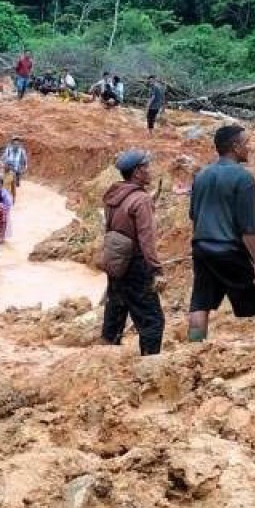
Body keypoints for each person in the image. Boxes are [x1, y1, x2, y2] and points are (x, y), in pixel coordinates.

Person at [188, 125, 255, 342]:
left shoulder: (201, 175)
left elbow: (194, 215)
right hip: (230, 250)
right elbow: (248, 228)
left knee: (200, 303)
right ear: (235, 147)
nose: (249, 148)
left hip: (202, 248)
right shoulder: (243, 179)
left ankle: (193, 348)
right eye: (246, 143)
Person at [100, 150, 165, 355]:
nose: (149, 171)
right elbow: (147, 239)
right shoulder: (141, 200)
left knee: (115, 313)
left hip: (116, 263)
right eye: (146, 167)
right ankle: (149, 364)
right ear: (137, 172)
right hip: (136, 265)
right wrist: (156, 269)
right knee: (152, 320)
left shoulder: (114, 195)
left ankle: (105, 360)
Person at [1, 136, 28, 203]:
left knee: (14, 185)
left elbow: (25, 160)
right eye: (15, 143)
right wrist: (3, 164)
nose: (16, 145)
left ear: (19, 144)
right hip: (9, 169)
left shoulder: (21, 151)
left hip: (16, 170)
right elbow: (3, 158)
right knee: (7, 183)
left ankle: (12, 197)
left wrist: (25, 167)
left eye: (17, 144)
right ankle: (7, 196)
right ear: (12, 143)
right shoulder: (8, 150)